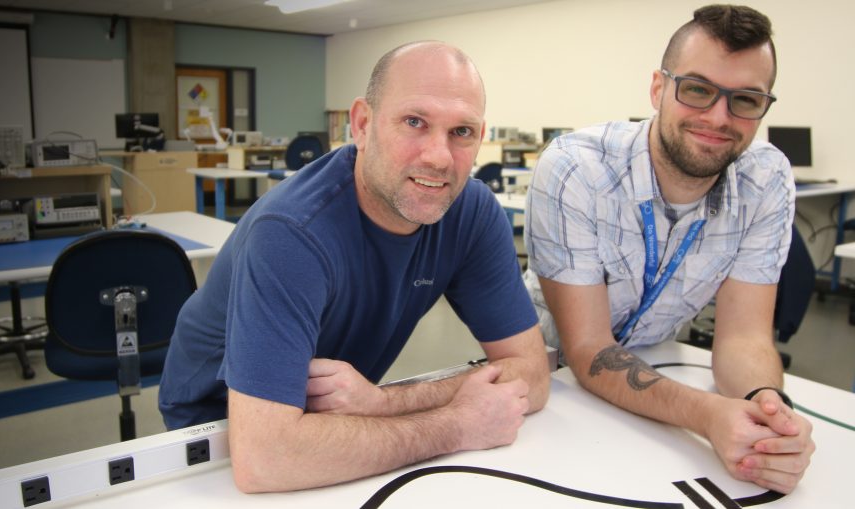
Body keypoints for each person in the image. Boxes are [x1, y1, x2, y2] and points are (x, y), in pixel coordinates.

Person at [159, 41, 550, 493]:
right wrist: (457, 425)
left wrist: (383, 403)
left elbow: (532, 373)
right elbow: (264, 458)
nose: (439, 157)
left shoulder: (472, 211)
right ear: (362, 124)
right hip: (218, 425)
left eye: (461, 131)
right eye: (414, 122)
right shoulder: (291, 232)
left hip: (337, 411)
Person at [523, 4, 814, 495]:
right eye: (697, 89)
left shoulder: (766, 179)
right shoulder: (576, 168)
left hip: (653, 367)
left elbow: (744, 338)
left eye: (745, 99)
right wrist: (710, 415)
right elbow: (589, 349)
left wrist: (765, 412)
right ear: (658, 88)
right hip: (551, 378)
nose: (718, 117)